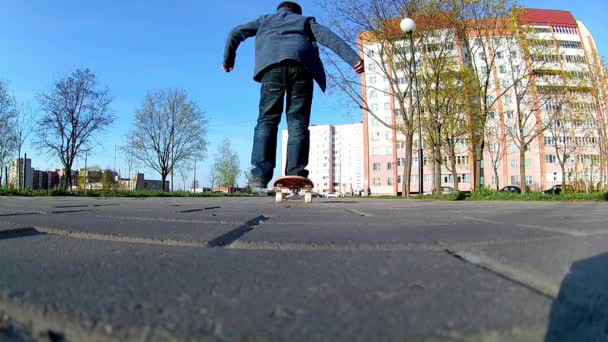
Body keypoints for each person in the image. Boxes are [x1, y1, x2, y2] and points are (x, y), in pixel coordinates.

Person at [223, 1, 364, 190]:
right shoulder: (305, 21)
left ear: (280, 10)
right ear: (297, 12)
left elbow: (235, 33)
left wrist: (228, 59)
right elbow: (330, 37)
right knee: (297, 122)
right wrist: (353, 59)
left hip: (272, 68)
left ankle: (259, 177)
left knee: (267, 120)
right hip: (301, 68)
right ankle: (296, 174)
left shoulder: (265, 20)